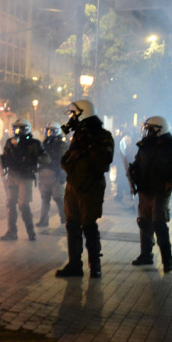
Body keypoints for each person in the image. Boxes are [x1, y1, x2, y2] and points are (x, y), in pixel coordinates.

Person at [129, 116, 172, 272]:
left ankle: (168, 260)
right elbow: (138, 164)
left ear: (159, 130)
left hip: (161, 192)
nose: (147, 133)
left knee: (159, 224)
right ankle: (146, 255)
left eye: (150, 129)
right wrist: (133, 171)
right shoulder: (144, 147)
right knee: (144, 223)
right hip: (145, 191)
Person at [56, 100, 114, 279]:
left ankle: (95, 265)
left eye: (74, 114)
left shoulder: (103, 135)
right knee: (72, 225)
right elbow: (69, 156)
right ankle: (75, 264)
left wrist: (91, 144)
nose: (71, 118)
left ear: (83, 114)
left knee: (89, 225)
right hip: (73, 185)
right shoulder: (78, 135)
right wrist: (66, 162)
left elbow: (103, 162)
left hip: (91, 186)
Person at [0, 119, 46, 241]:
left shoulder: (34, 143)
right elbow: (5, 157)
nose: (16, 131)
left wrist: (34, 158)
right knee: (10, 204)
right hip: (12, 175)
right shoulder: (10, 142)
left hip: (25, 177)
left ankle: (31, 232)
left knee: (23, 205)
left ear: (26, 129)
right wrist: (2, 160)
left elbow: (44, 159)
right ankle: (11, 232)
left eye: (19, 128)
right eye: (14, 128)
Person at [37, 122, 67, 229]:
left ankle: (65, 218)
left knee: (58, 198)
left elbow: (64, 160)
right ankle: (44, 220)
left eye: (52, 131)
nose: (49, 133)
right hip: (45, 173)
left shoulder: (61, 144)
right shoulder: (44, 143)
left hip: (56, 174)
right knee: (45, 198)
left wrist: (62, 174)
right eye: (48, 130)